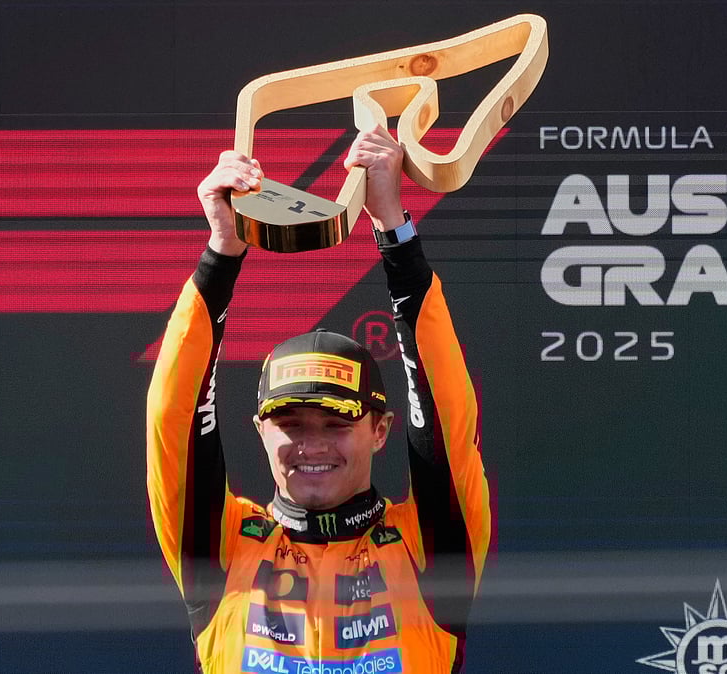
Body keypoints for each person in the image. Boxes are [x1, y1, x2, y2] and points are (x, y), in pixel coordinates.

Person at [146, 125, 490, 674]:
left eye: (336, 423)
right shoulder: (224, 549)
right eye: (291, 424)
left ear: (380, 430)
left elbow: (446, 412)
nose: (312, 445)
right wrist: (222, 250)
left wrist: (394, 230)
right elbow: (175, 417)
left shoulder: (426, 547)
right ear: (260, 430)